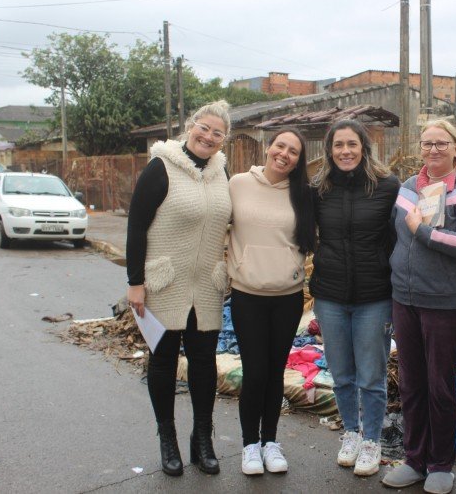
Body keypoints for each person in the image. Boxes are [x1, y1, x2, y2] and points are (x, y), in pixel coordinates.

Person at [126, 100, 233, 476]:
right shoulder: (161, 166)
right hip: (164, 282)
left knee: (204, 363)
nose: (208, 136)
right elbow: (136, 226)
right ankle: (167, 437)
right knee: (164, 361)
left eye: (217, 132)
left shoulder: (222, 172)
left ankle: (202, 439)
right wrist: (135, 283)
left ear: (224, 140)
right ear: (190, 127)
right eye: (203, 128)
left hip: (206, 285)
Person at [383, 119, 456, 494]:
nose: (433, 150)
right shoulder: (410, 187)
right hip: (405, 297)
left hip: (445, 301)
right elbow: (395, 235)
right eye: (427, 143)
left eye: (441, 143)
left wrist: (422, 231)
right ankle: (414, 459)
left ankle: (440, 464)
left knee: (439, 384)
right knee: (411, 382)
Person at [309, 119, 400, 477]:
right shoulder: (318, 189)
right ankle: (350, 433)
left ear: (364, 147)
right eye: (338, 145)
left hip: (374, 295)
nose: (345, 151)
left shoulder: (387, 187)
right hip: (329, 295)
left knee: (372, 376)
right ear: (329, 151)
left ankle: (372, 440)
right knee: (342, 373)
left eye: (352, 144)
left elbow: (399, 237)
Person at [226, 127, 315, 476]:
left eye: (293, 151)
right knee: (255, 371)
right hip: (247, 294)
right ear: (268, 147)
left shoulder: (303, 194)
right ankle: (250, 445)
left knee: (276, 371)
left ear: (298, 160)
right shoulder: (237, 183)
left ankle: (270, 442)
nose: (285, 154)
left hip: (287, 297)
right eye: (280, 146)